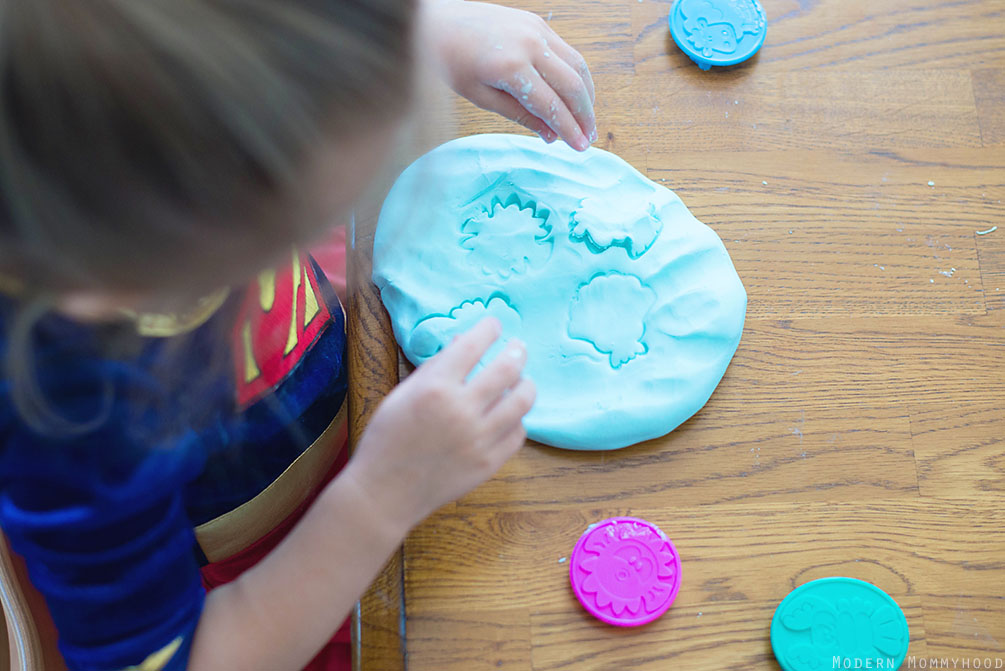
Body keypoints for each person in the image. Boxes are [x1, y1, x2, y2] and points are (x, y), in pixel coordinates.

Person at [0, 0, 596, 669]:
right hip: (274, 574)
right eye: (301, 217)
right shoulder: (73, 421)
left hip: (338, 398)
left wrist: (400, 38)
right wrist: (377, 498)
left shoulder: (158, 155)